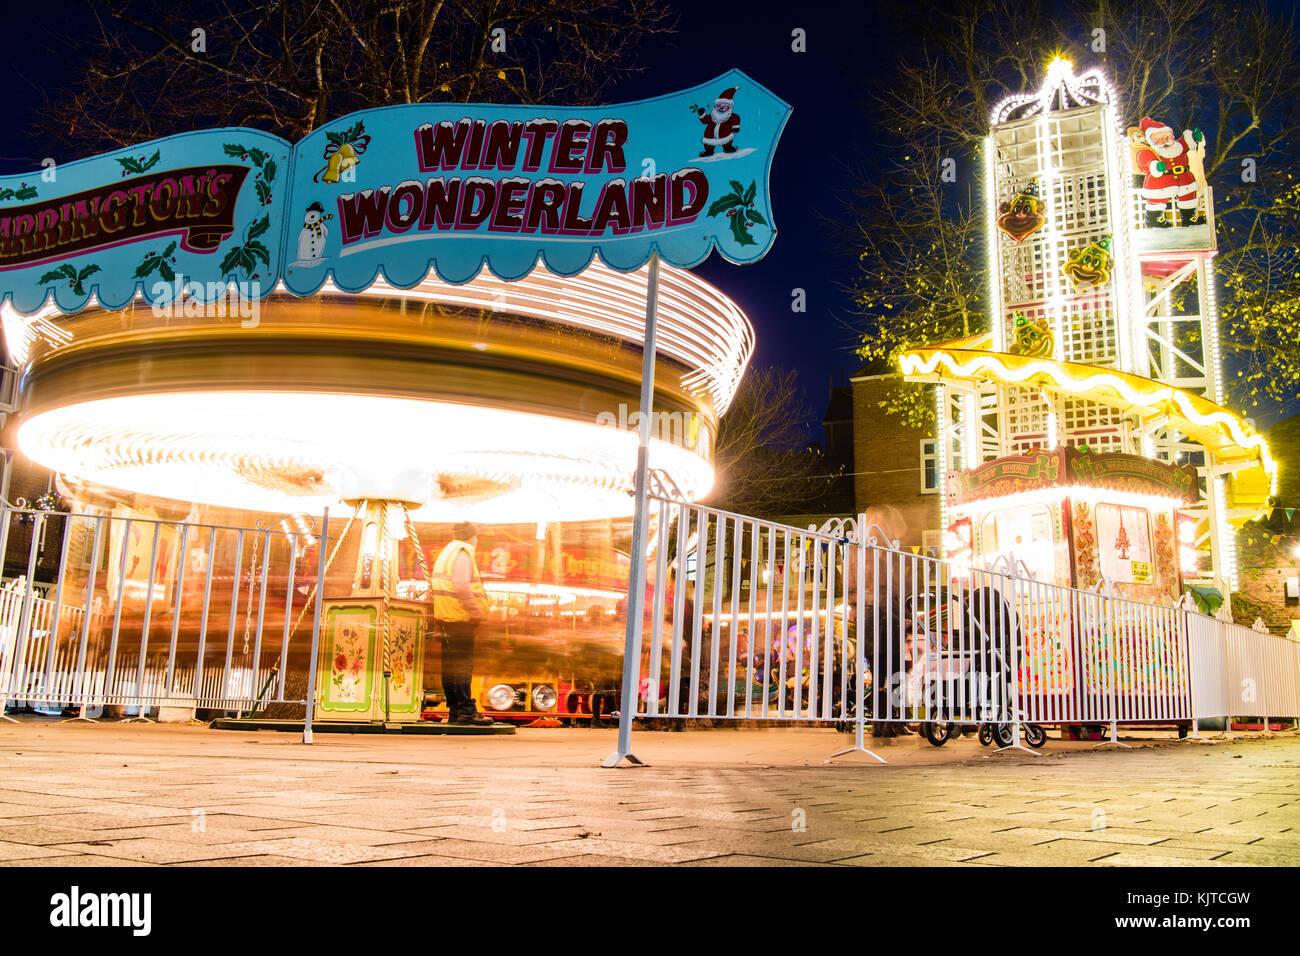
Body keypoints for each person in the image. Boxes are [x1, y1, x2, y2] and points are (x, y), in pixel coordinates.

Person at [429, 521, 494, 726]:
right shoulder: (463, 552)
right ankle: (467, 710)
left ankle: (455, 710)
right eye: (475, 536)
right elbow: (462, 586)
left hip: (447, 617)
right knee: (463, 666)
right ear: (470, 536)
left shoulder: (446, 552)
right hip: (460, 618)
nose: (476, 540)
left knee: (450, 667)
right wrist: (475, 612)